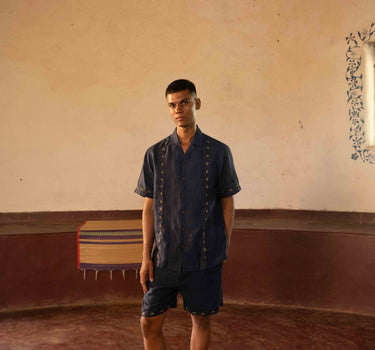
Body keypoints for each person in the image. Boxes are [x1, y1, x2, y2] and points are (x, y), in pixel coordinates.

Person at [135, 79, 241, 350]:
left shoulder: (218, 152)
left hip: (203, 256)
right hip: (164, 258)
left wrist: (224, 241)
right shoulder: (155, 154)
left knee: (201, 321)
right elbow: (148, 207)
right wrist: (146, 255)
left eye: (184, 102)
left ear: (197, 103)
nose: (178, 109)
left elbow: (227, 200)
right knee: (148, 323)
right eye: (172, 105)